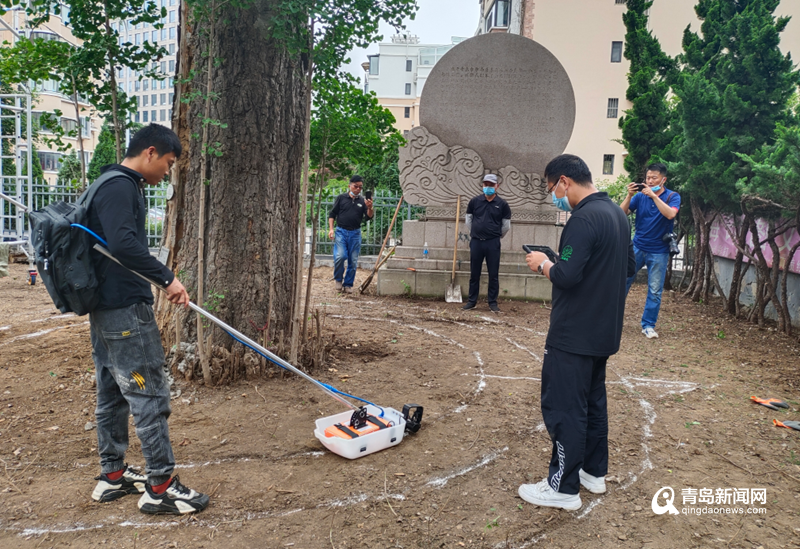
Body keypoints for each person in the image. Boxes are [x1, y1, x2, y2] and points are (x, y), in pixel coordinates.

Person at [87, 124, 209, 515]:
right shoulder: (121, 186)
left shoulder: (105, 183)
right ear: (151, 152)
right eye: (169, 164)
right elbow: (124, 244)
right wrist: (168, 278)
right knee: (149, 393)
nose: (167, 172)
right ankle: (160, 486)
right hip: (123, 309)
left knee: (111, 392)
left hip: (106, 309)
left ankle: (112, 476)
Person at [521, 154, 635, 511]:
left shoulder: (583, 218)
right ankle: (592, 472)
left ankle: (563, 487)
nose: (555, 194)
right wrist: (563, 261)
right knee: (592, 403)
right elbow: (628, 266)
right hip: (603, 330)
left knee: (565, 407)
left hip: (573, 333)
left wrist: (544, 264)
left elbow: (567, 276)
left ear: (565, 182)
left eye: (552, 187)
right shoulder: (617, 214)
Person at [620, 162, 681, 339]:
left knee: (654, 290)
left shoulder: (672, 196)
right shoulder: (639, 197)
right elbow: (621, 213)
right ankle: (612, 318)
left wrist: (654, 196)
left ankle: (648, 325)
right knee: (622, 281)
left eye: (654, 178)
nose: (650, 180)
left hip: (659, 251)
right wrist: (629, 195)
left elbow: (670, 214)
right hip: (637, 246)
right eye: (647, 177)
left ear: (664, 179)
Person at [462, 174, 511, 312]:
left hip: (493, 243)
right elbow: (468, 221)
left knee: (493, 274)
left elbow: (506, 226)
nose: (488, 187)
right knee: (474, 273)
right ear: (482, 186)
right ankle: (472, 301)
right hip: (476, 242)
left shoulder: (503, 204)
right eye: (486, 185)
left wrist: (495, 236)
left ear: (497, 186)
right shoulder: (474, 202)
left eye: (491, 185)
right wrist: (477, 233)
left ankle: (492, 302)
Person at [328, 175, 374, 294]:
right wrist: (331, 229)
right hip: (341, 232)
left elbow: (369, 217)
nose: (358, 189)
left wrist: (370, 207)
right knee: (341, 256)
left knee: (353, 261)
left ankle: (348, 284)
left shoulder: (362, 201)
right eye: (355, 186)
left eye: (360, 187)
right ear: (349, 186)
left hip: (355, 233)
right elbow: (332, 214)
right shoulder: (341, 198)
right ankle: (338, 279)